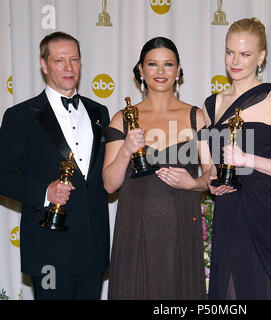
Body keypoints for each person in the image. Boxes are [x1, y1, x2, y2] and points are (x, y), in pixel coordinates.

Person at [0, 32, 110, 299]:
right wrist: (44, 192)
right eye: (59, 60)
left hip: (92, 249)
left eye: (74, 59)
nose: (69, 67)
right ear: (44, 64)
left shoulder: (100, 112)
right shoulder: (20, 116)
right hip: (49, 247)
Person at [103, 37, 211, 299]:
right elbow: (109, 184)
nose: (161, 72)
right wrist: (126, 150)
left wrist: (193, 183)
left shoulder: (196, 116)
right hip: (135, 228)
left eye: (168, 64)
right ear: (141, 70)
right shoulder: (122, 118)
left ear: (178, 70)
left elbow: (213, 176)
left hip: (182, 226)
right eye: (153, 64)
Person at [203, 18, 271, 299]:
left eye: (245, 54)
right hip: (229, 210)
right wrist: (210, 179)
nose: (235, 61)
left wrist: (249, 160)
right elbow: (210, 166)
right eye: (230, 52)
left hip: (268, 211)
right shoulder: (213, 104)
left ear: (261, 57)